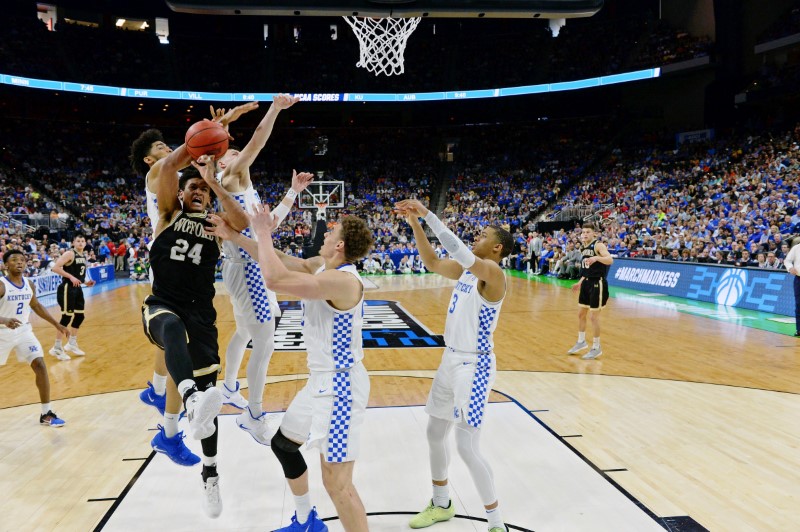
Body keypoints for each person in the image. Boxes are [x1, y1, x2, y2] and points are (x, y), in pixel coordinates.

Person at [206, 205, 374, 532]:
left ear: (340, 245)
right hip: (321, 384)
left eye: (331, 232)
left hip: (341, 389)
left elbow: (274, 278)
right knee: (284, 445)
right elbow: (284, 260)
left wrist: (264, 230)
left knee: (338, 484)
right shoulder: (320, 266)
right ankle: (306, 520)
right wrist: (235, 236)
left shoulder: (342, 281)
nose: (325, 234)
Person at [130, 103, 255, 448]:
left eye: (169, 145)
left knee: (180, 343)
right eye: (159, 148)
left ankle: (164, 403)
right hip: (170, 251)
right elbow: (179, 162)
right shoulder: (158, 176)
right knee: (171, 325)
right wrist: (210, 134)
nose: (167, 149)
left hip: (193, 270)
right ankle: (164, 397)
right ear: (148, 159)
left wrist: (214, 139)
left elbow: (201, 166)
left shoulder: (204, 202)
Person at [142, 153, 249, 518]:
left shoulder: (217, 224)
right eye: (194, 187)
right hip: (163, 304)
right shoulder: (168, 214)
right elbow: (169, 168)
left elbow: (244, 221)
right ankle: (186, 397)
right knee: (171, 330)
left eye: (203, 189)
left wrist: (213, 180)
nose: (199, 191)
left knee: (210, 399)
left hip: (201, 315)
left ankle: (210, 474)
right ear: (182, 194)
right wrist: (196, 146)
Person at [395, 199, 512, 532]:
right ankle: (442, 503)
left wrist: (428, 214)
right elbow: (432, 261)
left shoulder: (493, 273)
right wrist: (414, 223)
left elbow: (460, 252)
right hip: (450, 359)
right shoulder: (466, 271)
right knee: (434, 432)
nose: (478, 235)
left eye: (484, 235)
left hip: (474, 367)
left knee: (466, 445)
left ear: (497, 247)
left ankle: (495, 523)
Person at [210, 95, 307, 447]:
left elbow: (269, 228)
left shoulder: (241, 185)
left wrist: (292, 193)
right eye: (231, 152)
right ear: (221, 160)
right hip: (248, 268)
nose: (239, 153)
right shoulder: (230, 174)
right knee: (265, 342)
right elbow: (257, 141)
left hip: (246, 263)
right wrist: (276, 109)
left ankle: (231, 387)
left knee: (242, 332)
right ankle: (253, 414)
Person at [0, 249, 69, 426]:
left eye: (22, 260)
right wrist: (4, 319)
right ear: (6, 265)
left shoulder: (29, 284)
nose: (20, 262)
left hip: (23, 331)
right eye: (15, 260)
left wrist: (56, 324)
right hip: (2, 332)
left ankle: (46, 413)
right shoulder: (1, 284)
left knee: (40, 364)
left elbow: (36, 306)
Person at [567, 223, 614, 360]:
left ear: (594, 234)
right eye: (583, 232)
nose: (584, 234)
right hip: (586, 283)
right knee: (581, 314)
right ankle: (581, 341)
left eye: (588, 232)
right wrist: (580, 282)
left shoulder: (598, 245)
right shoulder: (583, 247)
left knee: (594, 317)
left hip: (597, 283)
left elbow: (610, 260)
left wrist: (597, 258)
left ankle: (596, 347)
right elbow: (587, 268)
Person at [49, 235, 96, 360]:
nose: (80, 243)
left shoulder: (83, 256)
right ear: (73, 243)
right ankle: (57, 348)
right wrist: (70, 277)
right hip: (67, 288)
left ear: (85, 243)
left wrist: (86, 282)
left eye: (82, 241)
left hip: (78, 288)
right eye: (78, 241)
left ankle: (71, 343)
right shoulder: (70, 253)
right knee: (66, 317)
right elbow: (55, 268)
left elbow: (78, 274)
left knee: (80, 316)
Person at [783, 236, 800, 337]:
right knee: (799, 305)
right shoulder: (796, 248)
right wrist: (790, 268)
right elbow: (787, 260)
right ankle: (799, 329)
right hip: (799, 279)